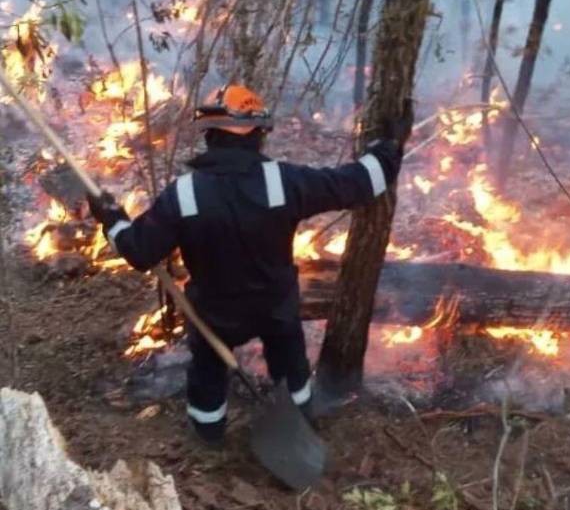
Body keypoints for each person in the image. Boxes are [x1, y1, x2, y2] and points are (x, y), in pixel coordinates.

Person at [87, 84, 402, 444]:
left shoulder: (185, 193)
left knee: (207, 375)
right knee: (292, 373)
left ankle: (208, 438)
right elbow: (353, 185)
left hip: (213, 315)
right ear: (258, 135)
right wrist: (388, 150)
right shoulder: (282, 182)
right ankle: (300, 427)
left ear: (211, 136)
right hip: (275, 311)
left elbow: (139, 251)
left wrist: (111, 218)